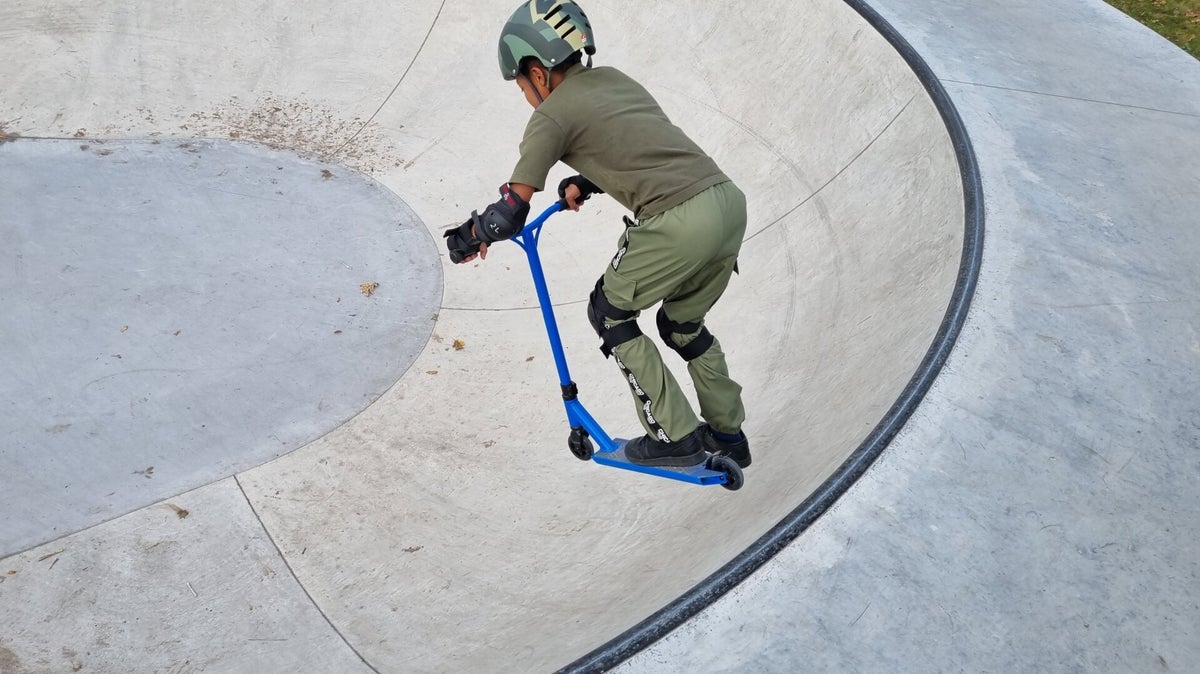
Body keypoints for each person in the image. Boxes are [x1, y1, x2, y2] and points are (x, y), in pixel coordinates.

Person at [444, 0, 750, 469]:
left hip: (677, 221)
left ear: (537, 72)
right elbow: (640, 146)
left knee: (608, 313)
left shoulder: (551, 116)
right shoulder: (615, 79)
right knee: (682, 325)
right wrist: (587, 181)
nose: (527, 96)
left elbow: (508, 214)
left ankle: (677, 437)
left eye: (522, 86)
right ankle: (728, 435)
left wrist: (470, 236)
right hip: (726, 203)